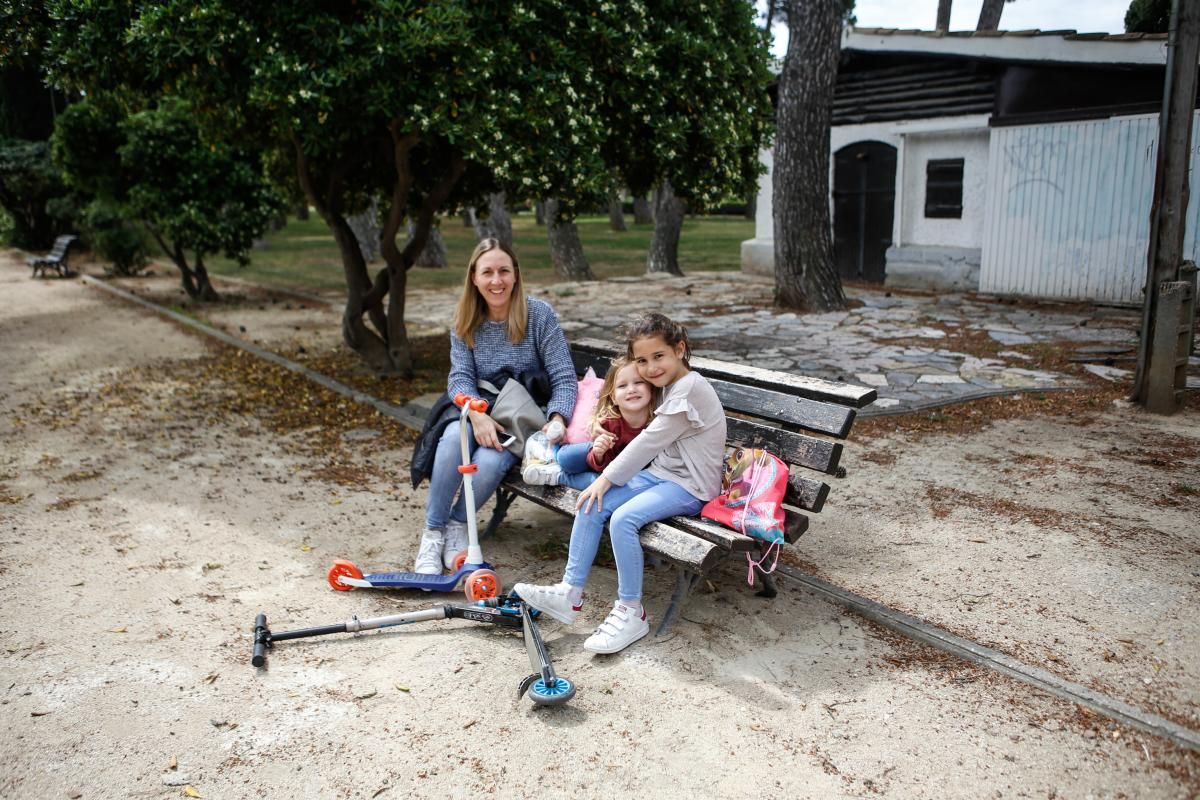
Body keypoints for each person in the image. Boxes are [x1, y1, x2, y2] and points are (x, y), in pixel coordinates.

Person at [514, 312, 726, 654]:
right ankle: (570, 593)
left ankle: (631, 611)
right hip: (662, 475)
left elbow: (647, 443)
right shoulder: (667, 385)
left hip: (691, 487)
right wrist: (600, 455)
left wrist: (607, 479)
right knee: (591, 500)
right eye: (642, 360)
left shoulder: (689, 389)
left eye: (659, 356)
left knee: (622, 518)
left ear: (679, 349)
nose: (651, 368)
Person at [415, 238, 577, 574]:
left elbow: (564, 378)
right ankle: (433, 534)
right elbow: (459, 379)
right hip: (473, 408)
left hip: (516, 417)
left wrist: (557, 418)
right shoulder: (465, 321)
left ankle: (459, 526)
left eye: (504, 271)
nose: (496, 280)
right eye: (487, 272)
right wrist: (476, 415)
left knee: (489, 462)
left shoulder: (539, 316)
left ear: (515, 275)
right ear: (474, 277)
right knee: (449, 444)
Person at [521, 357, 653, 491]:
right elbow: (601, 464)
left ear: (651, 388)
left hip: (620, 477)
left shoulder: (658, 422)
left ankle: (558, 476)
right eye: (622, 386)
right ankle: (551, 454)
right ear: (614, 398)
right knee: (566, 459)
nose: (631, 389)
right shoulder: (610, 423)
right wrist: (598, 453)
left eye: (638, 382)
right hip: (600, 462)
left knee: (608, 486)